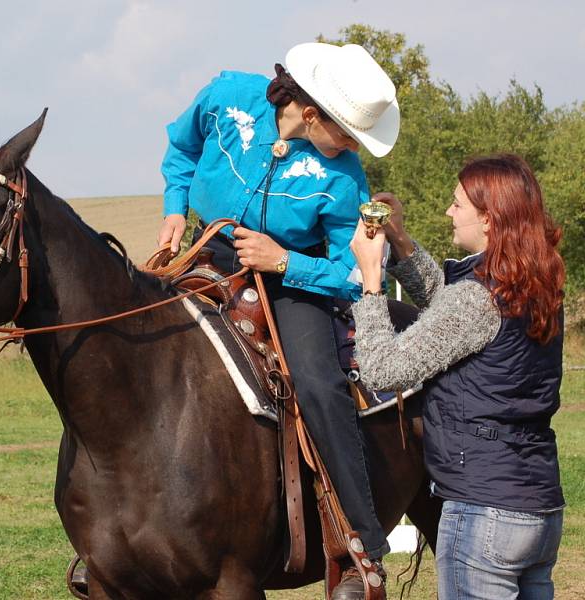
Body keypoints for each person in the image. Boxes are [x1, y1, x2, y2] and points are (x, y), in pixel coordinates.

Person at [157, 42, 400, 598]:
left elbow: (355, 268)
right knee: (130, 347)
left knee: (318, 382)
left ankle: (361, 541)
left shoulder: (346, 180)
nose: (352, 148)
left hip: (296, 282)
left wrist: (286, 260)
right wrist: (175, 204)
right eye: (348, 135)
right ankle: (110, 532)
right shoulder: (226, 96)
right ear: (311, 113)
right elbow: (182, 145)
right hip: (209, 256)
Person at [350, 154, 566, 600]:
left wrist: (371, 280)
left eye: (457, 204)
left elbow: (382, 369)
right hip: (538, 506)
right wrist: (402, 242)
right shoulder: (534, 281)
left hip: (484, 514)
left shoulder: (477, 299)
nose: (449, 212)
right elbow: (453, 312)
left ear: (488, 220)